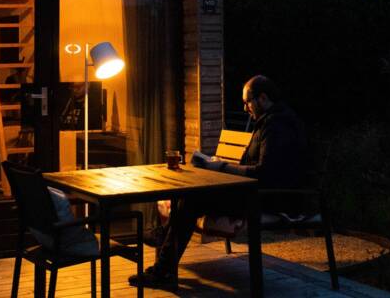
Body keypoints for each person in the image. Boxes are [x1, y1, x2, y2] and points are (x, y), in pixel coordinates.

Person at [129, 74, 307, 289]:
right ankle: (164, 256)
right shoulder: (269, 122)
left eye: (247, 102)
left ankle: (162, 265)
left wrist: (220, 167)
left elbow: (264, 174)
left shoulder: (278, 126)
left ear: (262, 98)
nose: (245, 108)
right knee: (190, 195)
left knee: (192, 199)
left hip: (271, 199)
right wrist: (217, 164)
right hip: (254, 193)